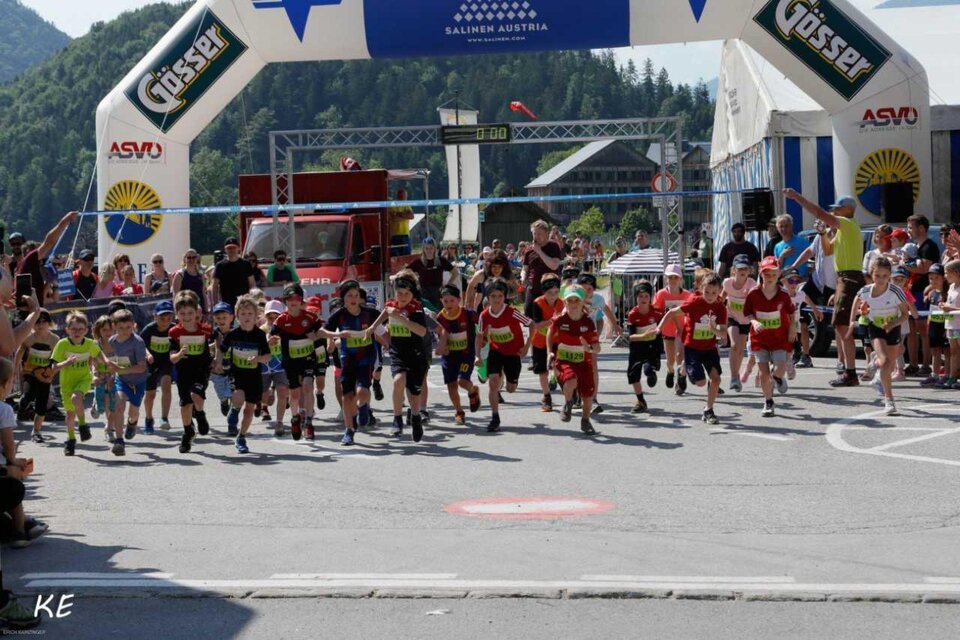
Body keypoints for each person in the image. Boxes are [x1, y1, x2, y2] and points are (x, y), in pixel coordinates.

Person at [784, 190, 864, 387]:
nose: (834, 212)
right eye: (834, 210)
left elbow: (819, 213)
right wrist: (821, 233)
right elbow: (827, 249)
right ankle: (848, 369)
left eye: (838, 209)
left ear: (849, 210)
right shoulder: (842, 231)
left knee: (843, 326)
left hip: (849, 278)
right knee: (841, 326)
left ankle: (850, 372)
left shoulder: (847, 224)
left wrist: (798, 198)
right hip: (842, 279)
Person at [659, 273, 727, 424]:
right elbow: (671, 312)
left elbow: (723, 334)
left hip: (709, 348)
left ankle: (708, 410)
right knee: (701, 383)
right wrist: (658, 329)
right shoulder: (695, 302)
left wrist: (714, 330)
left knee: (716, 379)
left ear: (720, 291)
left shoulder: (721, 308)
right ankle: (682, 371)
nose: (710, 296)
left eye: (714, 293)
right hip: (692, 348)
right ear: (702, 288)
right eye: (707, 292)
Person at [368, 271, 429, 442]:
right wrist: (373, 328)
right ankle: (397, 419)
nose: (402, 297)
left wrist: (401, 318)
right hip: (397, 352)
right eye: (399, 293)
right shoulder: (391, 305)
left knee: (414, 392)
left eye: (406, 294)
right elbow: (386, 313)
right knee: (398, 380)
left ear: (412, 294)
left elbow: (422, 331)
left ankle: (416, 417)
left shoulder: (416, 308)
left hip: (416, 354)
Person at [848, 257, 911, 415]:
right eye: (877, 276)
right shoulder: (866, 291)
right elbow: (856, 301)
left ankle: (876, 367)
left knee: (888, 365)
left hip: (893, 327)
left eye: (885, 276)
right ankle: (889, 400)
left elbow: (905, 315)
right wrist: (851, 321)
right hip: (876, 327)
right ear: (871, 275)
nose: (881, 279)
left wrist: (892, 324)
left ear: (889, 275)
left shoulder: (896, 291)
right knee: (886, 362)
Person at [320, 280, 380, 446]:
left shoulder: (369, 313)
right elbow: (321, 331)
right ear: (343, 298)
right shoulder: (339, 315)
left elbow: (385, 318)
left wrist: (378, 332)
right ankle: (348, 430)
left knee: (362, 391)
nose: (354, 298)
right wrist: (337, 335)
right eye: (349, 296)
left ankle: (363, 408)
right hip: (347, 360)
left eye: (356, 295)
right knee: (347, 396)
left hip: (366, 358)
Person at [476, 278, 533, 433]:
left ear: (504, 297)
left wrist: (527, 346)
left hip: (513, 353)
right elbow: (479, 336)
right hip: (496, 351)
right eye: (493, 296)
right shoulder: (484, 315)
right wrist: (478, 356)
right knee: (492, 383)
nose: (496, 300)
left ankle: (505, 380)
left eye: (500, 296)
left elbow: (532, 324)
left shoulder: (512, 312)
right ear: (488, 298)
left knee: (511, 389)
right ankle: (495, 417)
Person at [743, 257, 796, 417]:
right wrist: (754, 322)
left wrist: (793, 327)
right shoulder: (753, 294)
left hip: (779, 338)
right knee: (764, 374)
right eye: (766, 274)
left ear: (778, 274)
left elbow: (791, 312)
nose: (770, 277)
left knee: (779, 369)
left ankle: (778, 378)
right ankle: (768, 402)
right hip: (760, 340)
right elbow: (748, 313)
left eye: (773, 273)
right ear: (761, 274)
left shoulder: (783, 295)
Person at [221, 295, 272, 454]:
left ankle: (241, 436)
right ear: (237, 316)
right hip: (237, 374)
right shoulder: (232, 334)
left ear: (256, 315)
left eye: (250, 314)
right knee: (238, 398)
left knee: (249, 410)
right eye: (243, 314)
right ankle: (234, 410)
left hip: (254, 376)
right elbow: (221, 350)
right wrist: (217, 362)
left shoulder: (259, 335)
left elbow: (268, 356)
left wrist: (258, 359)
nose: (246, 317)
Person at [269, 284, 321, 441]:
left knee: (308, 386)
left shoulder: (310, 318)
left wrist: (332, 336)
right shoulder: (280, 321)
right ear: (285, 301)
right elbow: (270, 337)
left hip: (308, 359)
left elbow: (320, 332)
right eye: (290, 298)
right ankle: (295, 418)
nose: (294, 301)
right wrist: (270, 341)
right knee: (295, 394)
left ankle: (309, 423)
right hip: (290, 361)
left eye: (297, 298)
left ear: (301, 300)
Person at [548, 285, 601, 435]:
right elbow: (550, 334)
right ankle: (568, 403)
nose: (573, 304)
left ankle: (585, 420)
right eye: (569, 300)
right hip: (564, 360)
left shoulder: (588, 322)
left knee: (588, 395)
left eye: (576, 300)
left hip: (584, 362)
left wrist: (589, 348)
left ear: (582, 302)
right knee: (570, 381)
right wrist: (549, 352)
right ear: (565, 303)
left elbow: (597, 348)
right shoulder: (559, 319)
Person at [51, 311, 103, 456]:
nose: (77, 332)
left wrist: (107, 365)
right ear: (67, 330)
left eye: (80, 329)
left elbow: (99, 356)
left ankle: (82, 425)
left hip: (83, 379)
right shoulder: (62, 344)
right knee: (69, 414)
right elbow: (53, 368)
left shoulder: (89, 344)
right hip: (67, 383)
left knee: (76, 398)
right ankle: (71, 440)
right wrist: (65, 363)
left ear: (86, 330)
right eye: (73, 329)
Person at [169, 291, 213, 454]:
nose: (186, 316)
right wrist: (179, 355)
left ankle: (200, 414)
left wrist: (217, 358)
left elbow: (217, 342)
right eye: (182, 313)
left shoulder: (206, 330)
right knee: (185, 403)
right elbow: (172, 357)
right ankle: (188, 431)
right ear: (177, 314)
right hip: (183, 372)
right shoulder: (174, 332)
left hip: (201, 370)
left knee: (196, 395)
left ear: (197, 313)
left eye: (190, 313)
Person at [435, 285, 481, 425]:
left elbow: (482, 326)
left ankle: (473, 391)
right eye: (445, 301)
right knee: (451, 385)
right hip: (449, 356)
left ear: (459, 300)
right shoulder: (440, 317)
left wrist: (483, 340)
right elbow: (440, 334)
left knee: (462, 381)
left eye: (452, 301)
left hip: (466, 354)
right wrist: (443, 346)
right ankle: (459, 411)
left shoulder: (468, 314)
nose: (448, 304)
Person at [107, 309, 149, 457]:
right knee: (119, 405)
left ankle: (132, 423)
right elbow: (110, 361)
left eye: (128, 327)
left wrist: (120, 370)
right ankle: (119, 440)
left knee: (133, 412)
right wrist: (109, 373)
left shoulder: (137, 342)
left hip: (138, 381)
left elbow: (142, 367)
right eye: (121, 328)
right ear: (114, 327)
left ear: (133, 325)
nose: (125, 331)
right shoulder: (111, 342)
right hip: (122, 381)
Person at [904, 215, 941, 377]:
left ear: (921, 228)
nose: (908, 230)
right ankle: (912, 364)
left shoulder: (929, 246)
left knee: (923, 330)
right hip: (911, 292)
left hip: (922, 293)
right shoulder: (914, 247)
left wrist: (902, 263)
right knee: (910, 330)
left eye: (911, 227)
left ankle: (926, 365)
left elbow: (924, 268)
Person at [13, 310, 58, 441]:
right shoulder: (29, 338)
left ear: (49, 323)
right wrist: (15, 367)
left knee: (41, 406)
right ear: (33, 325)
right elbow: (20, 351)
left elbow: (57, 357)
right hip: (30, 372)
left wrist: (54, 369)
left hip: (45, 375)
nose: (40, 325)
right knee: (28, 396)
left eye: (44, 321)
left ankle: (36, 432)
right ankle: (23, 405)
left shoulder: (55, 339)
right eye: (37, 322)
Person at [15, 211, 77, 297]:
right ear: (29, 252)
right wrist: (65, 220)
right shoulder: (29, 260)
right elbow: (49, 242)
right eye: (39, 250)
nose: (43, 255)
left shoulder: (30, 268)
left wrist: (53, 282)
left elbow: (50, 298)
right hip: (32, 309)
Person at [653, 264, 692, 395]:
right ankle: (670, 371)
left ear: (680, 279)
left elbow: (691, 313)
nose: (673, 280)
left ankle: (681, 379)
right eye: (670, 277)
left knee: (680, 355)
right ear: (666, 279)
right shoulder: (661, 294)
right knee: (671, 360)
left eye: (676, 277)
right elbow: (656, 311)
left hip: (682, 330)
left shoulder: (687, 295)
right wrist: (664, 312)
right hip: (667, 330)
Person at [626, 280, 662, 413]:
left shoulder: (656, 313)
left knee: (647, 370)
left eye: (646, 296)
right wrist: (643, 335)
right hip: (637, 347)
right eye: (640, 296)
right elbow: (631, 336)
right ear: (636, 298)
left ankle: (651, 372)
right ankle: (641, 401)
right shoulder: (632, 314)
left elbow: (663, 326)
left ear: (650, 298)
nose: (643, 299)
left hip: (652, 347)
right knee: (633, 375)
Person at [722, 254, 757, 392]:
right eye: (740, 268)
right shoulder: (727, 283)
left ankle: (736, 375)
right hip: (732, 317)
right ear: (734, 270)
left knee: (740, 349)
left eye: (746, 268)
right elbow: (722, 296)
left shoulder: (752, 284)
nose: (743, 271)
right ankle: (734, 377)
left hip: (746, 320)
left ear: (749, 271)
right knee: (735, 346)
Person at [529, 274, 564, 412]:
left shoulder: (562, 303)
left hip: (556, 340)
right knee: (542, 371)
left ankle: (570, 396)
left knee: (559, 367)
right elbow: (537, 325)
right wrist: (553, 320)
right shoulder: (538, 303)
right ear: (544, 292)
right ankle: (546, 396)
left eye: (556, 292)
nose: (553, 296)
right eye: (550, 293)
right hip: (539, 341)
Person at [140, 300, 175, 434]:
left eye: (168, 318)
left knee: (166, 385)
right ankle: (149, 419)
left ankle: (164, 418)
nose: (165, 321)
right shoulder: (150, 329)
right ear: (155, 316)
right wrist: (147, 354)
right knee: (150, 394)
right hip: (151, 363)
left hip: (166, 362)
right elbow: (140, 344)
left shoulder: (174, 328)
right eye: (161, 318)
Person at [522, 220, 563, 318]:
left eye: (539, 233)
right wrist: (523, 277)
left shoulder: (553, 246)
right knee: (529, 317)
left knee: (549, 317)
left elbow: (554, 265)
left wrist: (539, 251)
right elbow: (525, 269)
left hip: (550, 289)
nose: (536, 236)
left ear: (547, 234)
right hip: (533, 288)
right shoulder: (528, 250)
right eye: (534, 233)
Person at [260, 300, 290, 436]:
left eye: (275, 316)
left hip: (280, 366)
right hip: (264, 367)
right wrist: (267, 342)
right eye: (269, 317)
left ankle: (279, 422)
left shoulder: (286, 329)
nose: (272, 319)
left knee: (283, 392)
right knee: (263, 395)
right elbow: (256, 348)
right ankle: (263, 403)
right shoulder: (261, 330)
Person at [409, 237, 457, 313]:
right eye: (426, 248)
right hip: (424, 293)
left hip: (438, 292)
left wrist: (448, 285)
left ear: (435, 248)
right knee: (426, 315)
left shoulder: (441, 260)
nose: (429, 250)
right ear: (423, 249)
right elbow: (406, 271)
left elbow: (455, 272)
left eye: (431, 248)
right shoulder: (418, 262)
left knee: (440, 314)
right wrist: (415, 283)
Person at [923, 264, 950, 388]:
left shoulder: (948, 293)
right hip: (934, 324)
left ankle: (947, 375)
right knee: (935, 351)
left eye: (936, 278)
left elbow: (949, 312)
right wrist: (929, 323)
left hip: (945, 325)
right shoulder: (932, 293)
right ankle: (934, 374)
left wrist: (946, 327)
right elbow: (931, 310)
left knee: (947, 351)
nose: (933, 280)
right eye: (931, 278)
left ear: (943, 278)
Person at [212, 237, 256, 309]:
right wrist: (215, 303)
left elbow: (252, 284)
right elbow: (215, 285)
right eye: (229, 248)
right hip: (226, 304)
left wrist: (252, 299)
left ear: (238, 248)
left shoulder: (246, 264)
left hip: (244, 303)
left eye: (233, 247)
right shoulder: (220, 265)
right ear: (225, 249)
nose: (231, 250)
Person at [939, 260, 960, 389]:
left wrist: (950, 308)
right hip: (951, 324)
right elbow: (949, 305)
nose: (945, 276)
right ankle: (952, 376)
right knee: (953, 352)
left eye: (947, 273)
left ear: (957, 273)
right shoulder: (951, 287)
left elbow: (953, 307)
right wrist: (944, 306)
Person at [773, 215, 810, 279]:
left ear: (791, 226)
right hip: (786, 282)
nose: (784, 229)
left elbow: (811, 260)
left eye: (786, 226)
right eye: (781, 226)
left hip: (802, 280)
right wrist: (782, 256)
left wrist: (808, 276)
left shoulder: (803, 241)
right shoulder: (777, 247)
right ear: (777, 228)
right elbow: (777, 268)